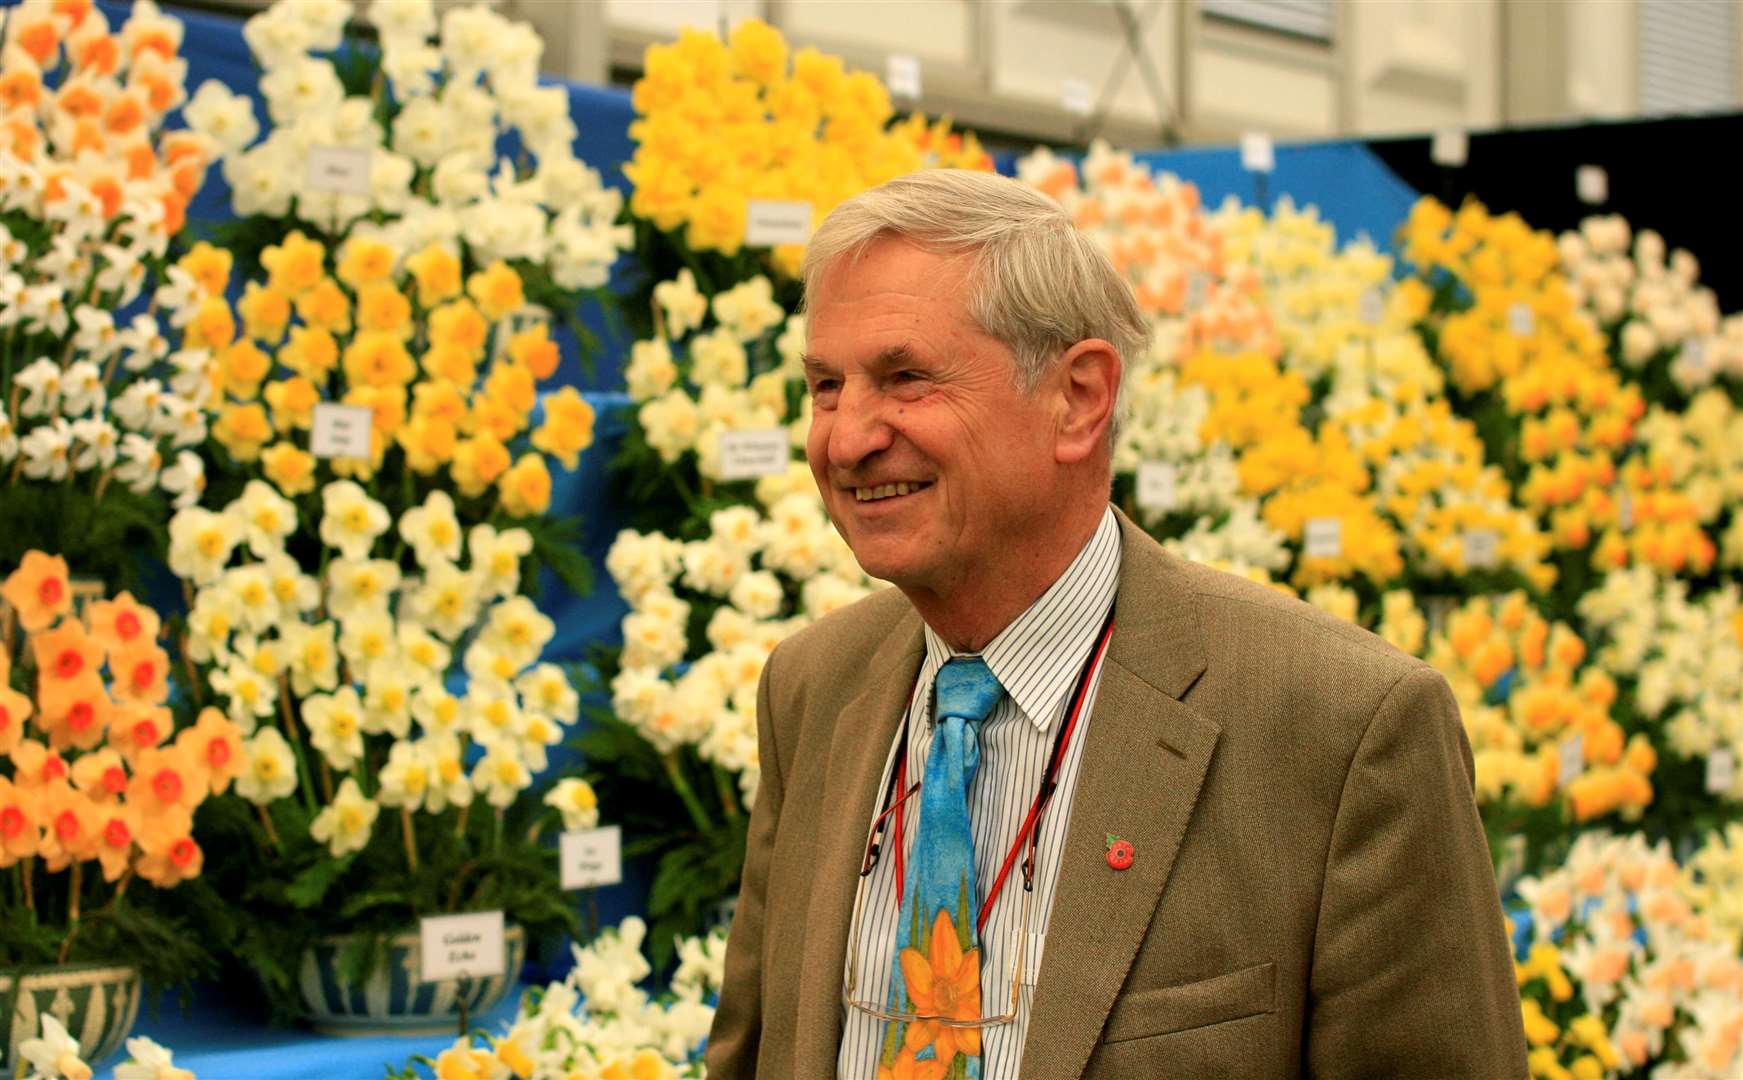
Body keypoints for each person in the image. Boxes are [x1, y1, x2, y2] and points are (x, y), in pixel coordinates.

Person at [705, 169, 1528, 1078]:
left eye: (905, 380)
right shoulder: (812, 687)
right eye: (826, 386)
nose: (846, 438)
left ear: (1079, 398)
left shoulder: (1340, 728)